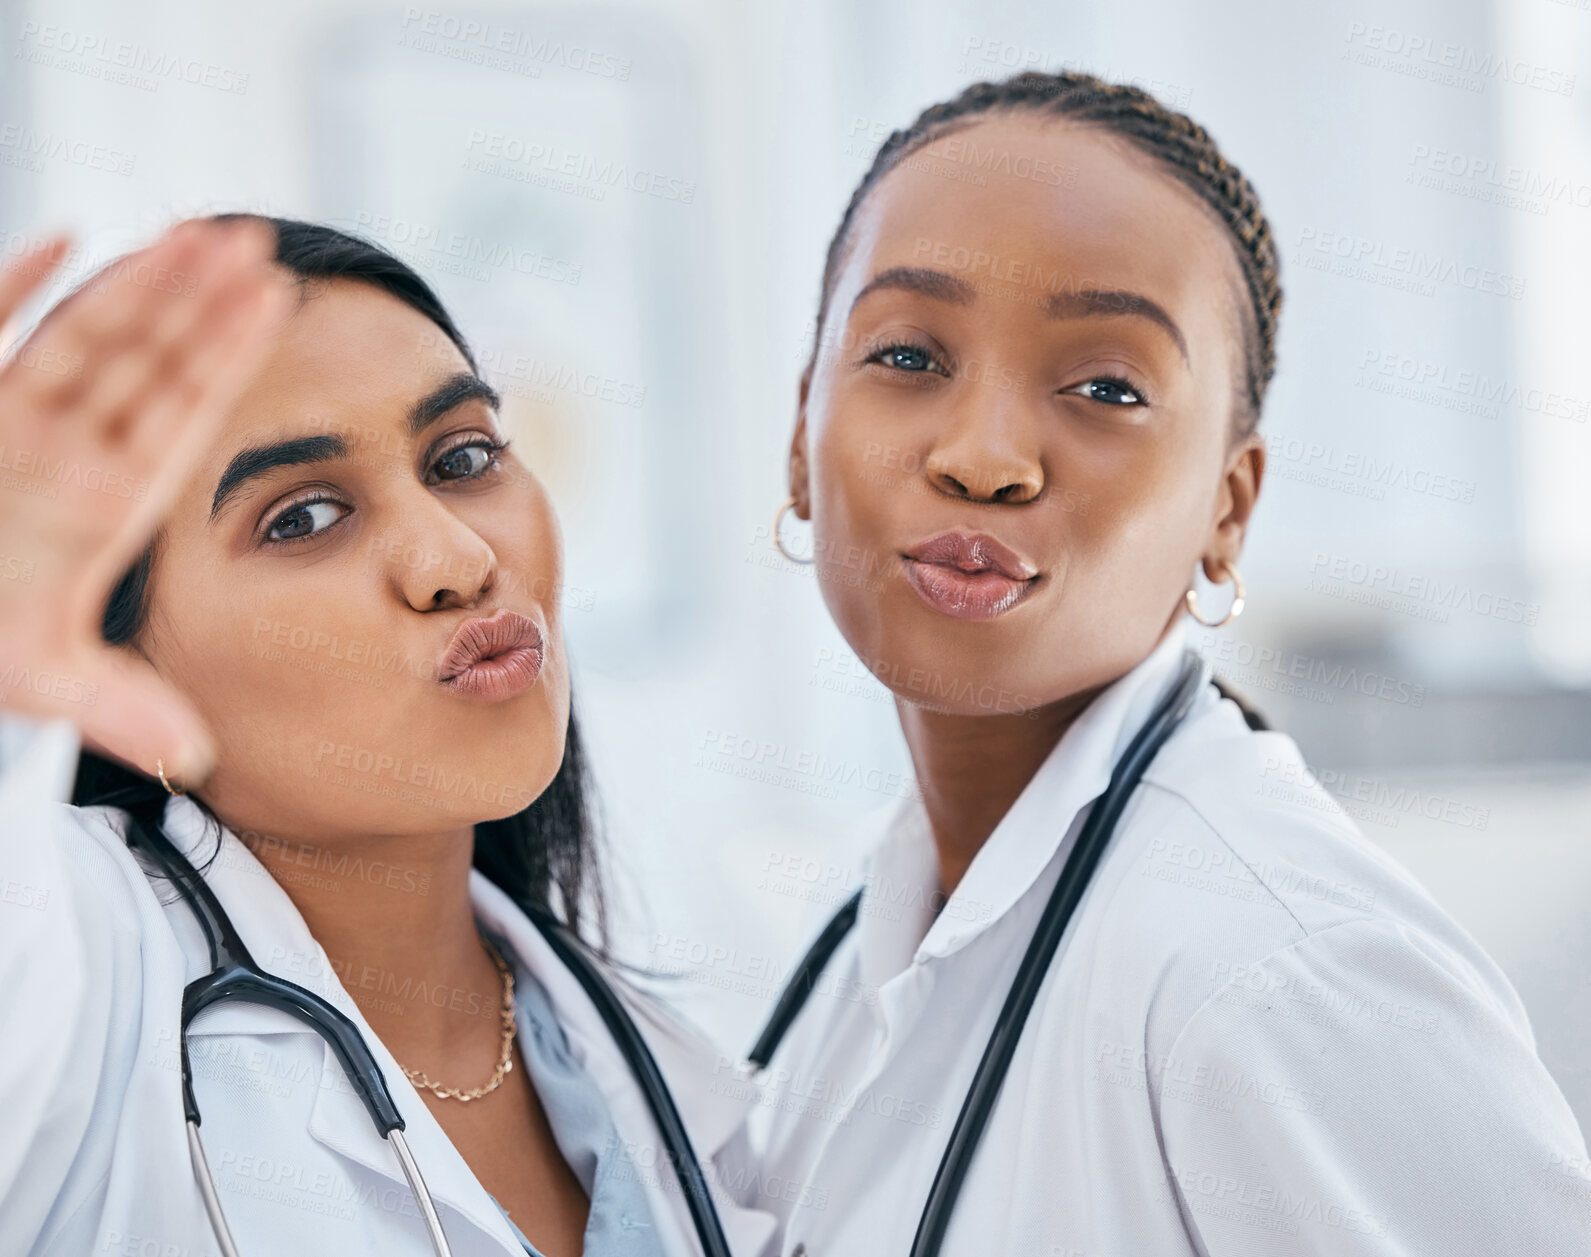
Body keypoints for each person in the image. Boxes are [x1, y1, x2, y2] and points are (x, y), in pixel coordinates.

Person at [739, 71, 1591, 1255]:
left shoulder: (1285, 972)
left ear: (1225, 512)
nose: (984, 458)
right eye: (908, 356)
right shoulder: (869, 936)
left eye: (1106, 386)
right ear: (799, 437)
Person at [0, 217, 775, 1257]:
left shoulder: (658, 1076)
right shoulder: (81, 988)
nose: (454, 556)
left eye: (462, 457)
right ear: (113, 659)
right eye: (305, 519)